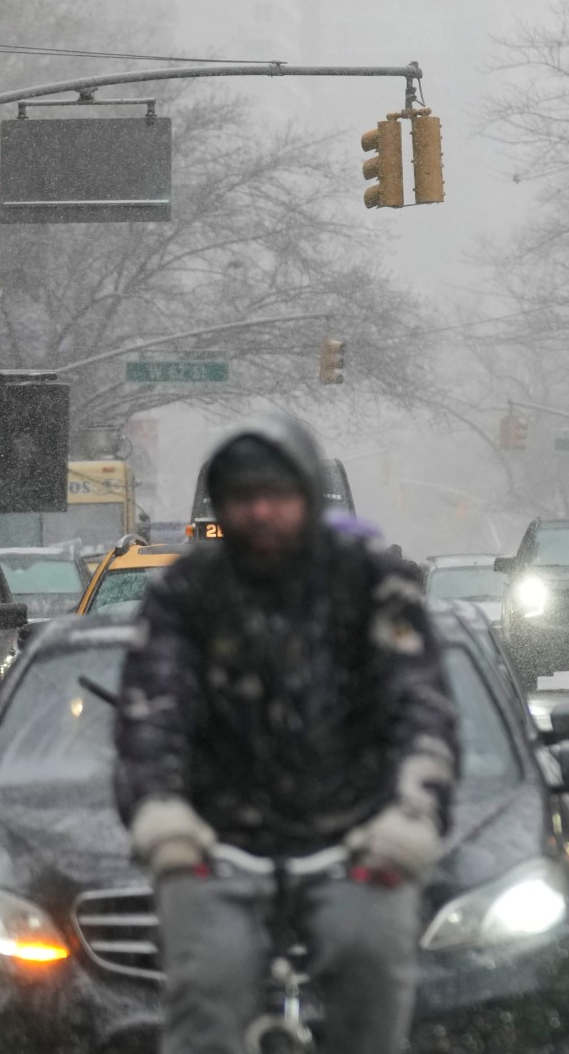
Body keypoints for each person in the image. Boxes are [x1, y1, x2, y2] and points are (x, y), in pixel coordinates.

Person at [115, 417, 458, 1054]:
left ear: (307, 496)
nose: (261, 512)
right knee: (203, 997)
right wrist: (160, 811)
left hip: (353, 838)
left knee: (374, 972)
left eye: (277, 495)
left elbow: (421, 707)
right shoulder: (185, 595)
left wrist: (413, 812)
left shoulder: (372, 586)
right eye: (243, 498)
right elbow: (151, 711)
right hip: (216, 841)